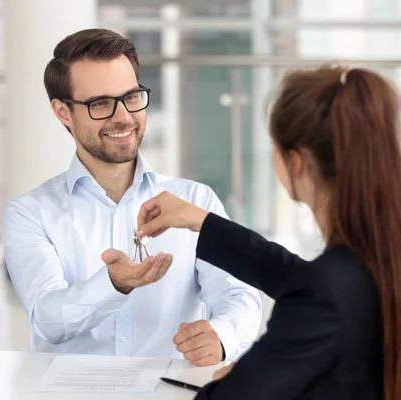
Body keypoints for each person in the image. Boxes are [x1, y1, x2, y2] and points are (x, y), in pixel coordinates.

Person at [136, 65, 400, 399]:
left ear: (296, 161)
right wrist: (200, 220)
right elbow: (298, 276)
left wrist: (237, 377)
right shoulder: (378, 254)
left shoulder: (327, 291)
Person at [2, 28, 261, 364]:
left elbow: (238, 293)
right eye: (101, 103)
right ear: (63, 112)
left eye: (132, 96)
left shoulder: (195, 201)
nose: (123, 116)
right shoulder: (31, 213)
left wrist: (222, 335)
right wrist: (111, 285)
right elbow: (47, 319)